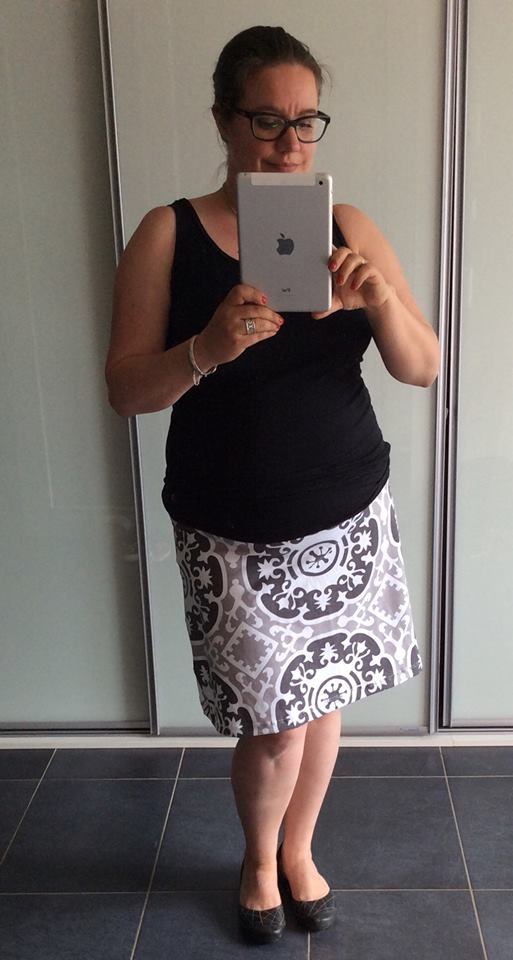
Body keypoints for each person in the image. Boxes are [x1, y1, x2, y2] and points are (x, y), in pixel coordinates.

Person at [106, 24, 440, 945]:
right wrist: (207, 348)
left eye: (305, 121)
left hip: (346, 512)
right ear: (223, 120)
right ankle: (258, 860)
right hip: (231, 526)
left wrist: (377, 298)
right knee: (274, 725)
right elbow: (126, 390)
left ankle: (298, 850)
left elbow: (421, 366)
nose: (289, 144)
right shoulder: (168, 232)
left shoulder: (347, 226)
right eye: (265, 120)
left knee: (323, 700)